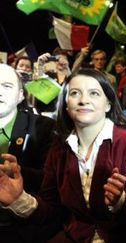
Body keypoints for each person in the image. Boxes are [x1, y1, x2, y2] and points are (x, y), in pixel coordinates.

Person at [0, 68, 126, 242]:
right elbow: (52, 210)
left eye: (94, 93)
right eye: (75, 93)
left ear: (108, 104)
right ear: (66, 104)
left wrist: (121, 202)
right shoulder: (59, 149)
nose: (83, 100)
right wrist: (20, 200)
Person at [0, 64, 56, 242]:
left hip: (20, 230)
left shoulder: (43, 128)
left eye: (6, 86)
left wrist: (18, 171)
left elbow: (51, 181)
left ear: (20, 95)